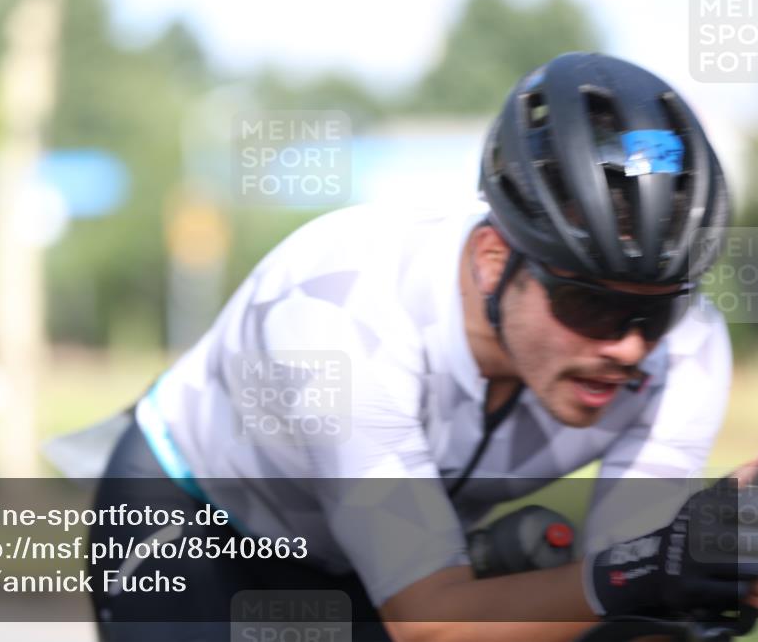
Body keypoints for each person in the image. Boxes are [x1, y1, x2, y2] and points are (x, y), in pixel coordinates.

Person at [81, 52, 758, 641]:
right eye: (592, 304)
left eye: (659, 309)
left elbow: (632, 582)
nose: (629, 345)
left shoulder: (687, 349)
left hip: (383, 555)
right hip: (199, 522)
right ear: (495, 260)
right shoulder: (343, 313)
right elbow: (431, 622)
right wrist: (644, 569)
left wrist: (700, 573)